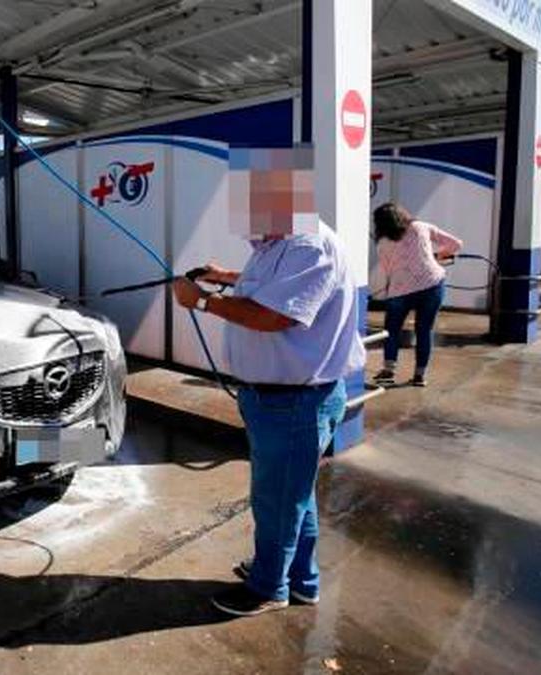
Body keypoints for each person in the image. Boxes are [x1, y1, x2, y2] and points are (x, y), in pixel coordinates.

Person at [172, 147, 365, 617]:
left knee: (278, 499)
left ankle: (267, 589)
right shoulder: (281, 243)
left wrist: (201, 302)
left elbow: (273, 314)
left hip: (294, 402)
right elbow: (273, 287)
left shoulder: (308, 245)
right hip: (282, 400)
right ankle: (302, 580)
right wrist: (225, 276)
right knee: (293, 495)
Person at [370, 203, 462, 387]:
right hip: (432, 284)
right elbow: (456, 244)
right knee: (424, 330)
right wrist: (437, 256)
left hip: (400, 290)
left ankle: (389, 371)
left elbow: (389, 270)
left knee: (392, 331)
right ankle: (420, 376)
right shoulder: (421, 227)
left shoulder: (382, 243)